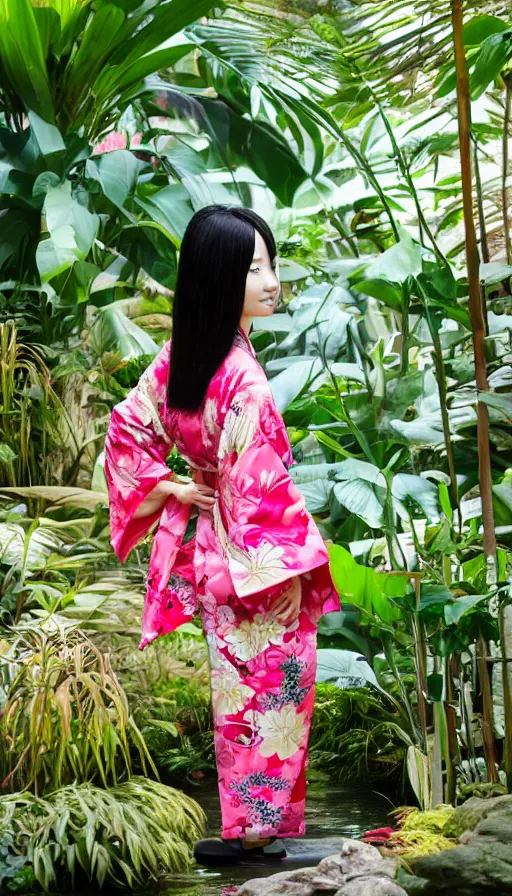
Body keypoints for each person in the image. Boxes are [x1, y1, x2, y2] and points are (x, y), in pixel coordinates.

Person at [104, 206, 340, 866]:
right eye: (254, 268)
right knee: (274, 695)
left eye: (270, 264)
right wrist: (285, 574)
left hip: (218, 554)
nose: (271, 280)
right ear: (219, 278)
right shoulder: (244, 379)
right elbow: (261, 489)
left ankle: (249, 830)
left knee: (240, 695)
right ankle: (259, 832)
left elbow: (127, 434)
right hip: (258, 567)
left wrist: (179, 488)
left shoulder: (183, 358)